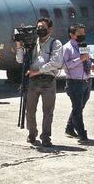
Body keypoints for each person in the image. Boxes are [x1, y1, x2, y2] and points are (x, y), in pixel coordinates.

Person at [15, 17, 63, 146]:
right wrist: (19, 46)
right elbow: (20, 60)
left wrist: (38, 71)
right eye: (38, 27)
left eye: (43, 27)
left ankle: (46, 136)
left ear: (50, 29)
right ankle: (32, 133)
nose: (40, 30)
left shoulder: (55, 44)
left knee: (48, 111)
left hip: (48, 81)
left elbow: (56, 63)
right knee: (30, 110)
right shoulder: (31, 44)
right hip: (32, 82)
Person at [61, 24, 94, 143]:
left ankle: (70, 128)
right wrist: (79, 59)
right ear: (72, 34)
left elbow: (87, 59)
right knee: (77, 109)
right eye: (79, 33)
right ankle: (82, 133)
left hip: (86, 80)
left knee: (80, 107)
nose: (82, 35)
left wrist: (91, 65)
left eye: (83, 33)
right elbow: (65, 65)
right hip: (74, 82)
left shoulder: (84, 46)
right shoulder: (67, 48)